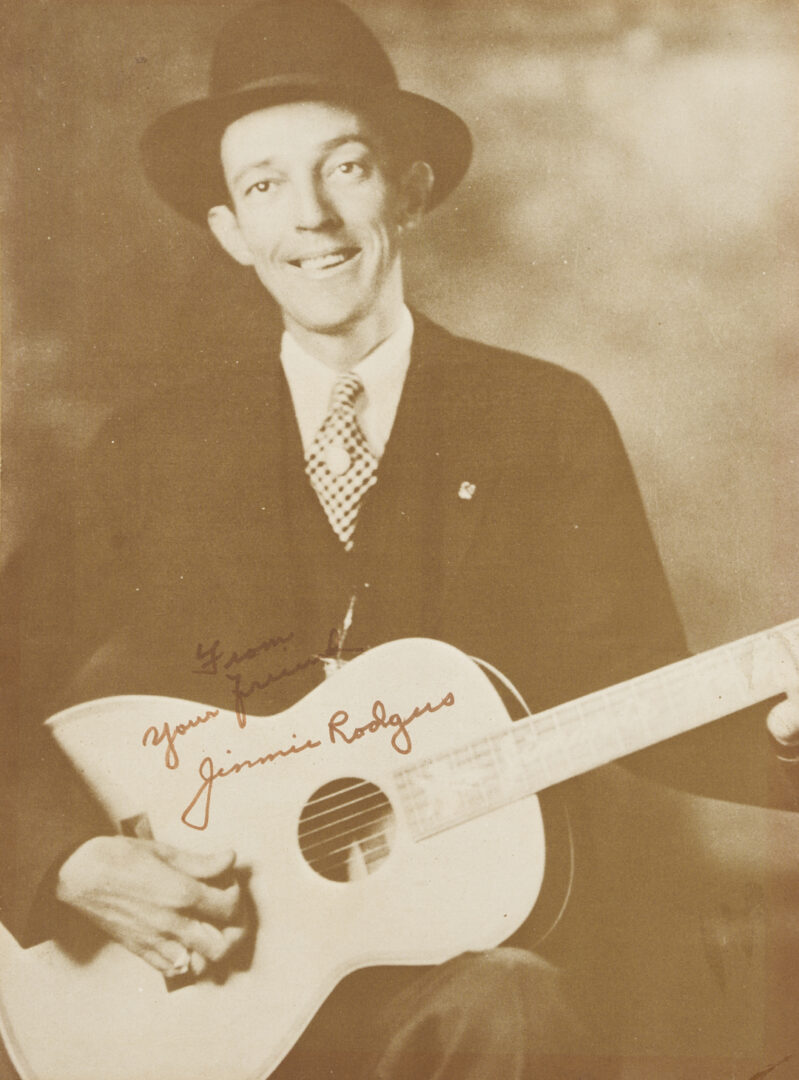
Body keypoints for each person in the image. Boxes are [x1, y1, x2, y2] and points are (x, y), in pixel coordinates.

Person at [2, 1, 798, 1076]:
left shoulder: (543, 417)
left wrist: (784, 733)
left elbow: (634, 693)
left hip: (464, 954)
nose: (315, 219)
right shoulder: (153, 450)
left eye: (348, 167)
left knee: (512, 1010)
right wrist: (66, 863)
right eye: (266, 185)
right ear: (231, 231)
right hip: (204, 982)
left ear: (411, 188)